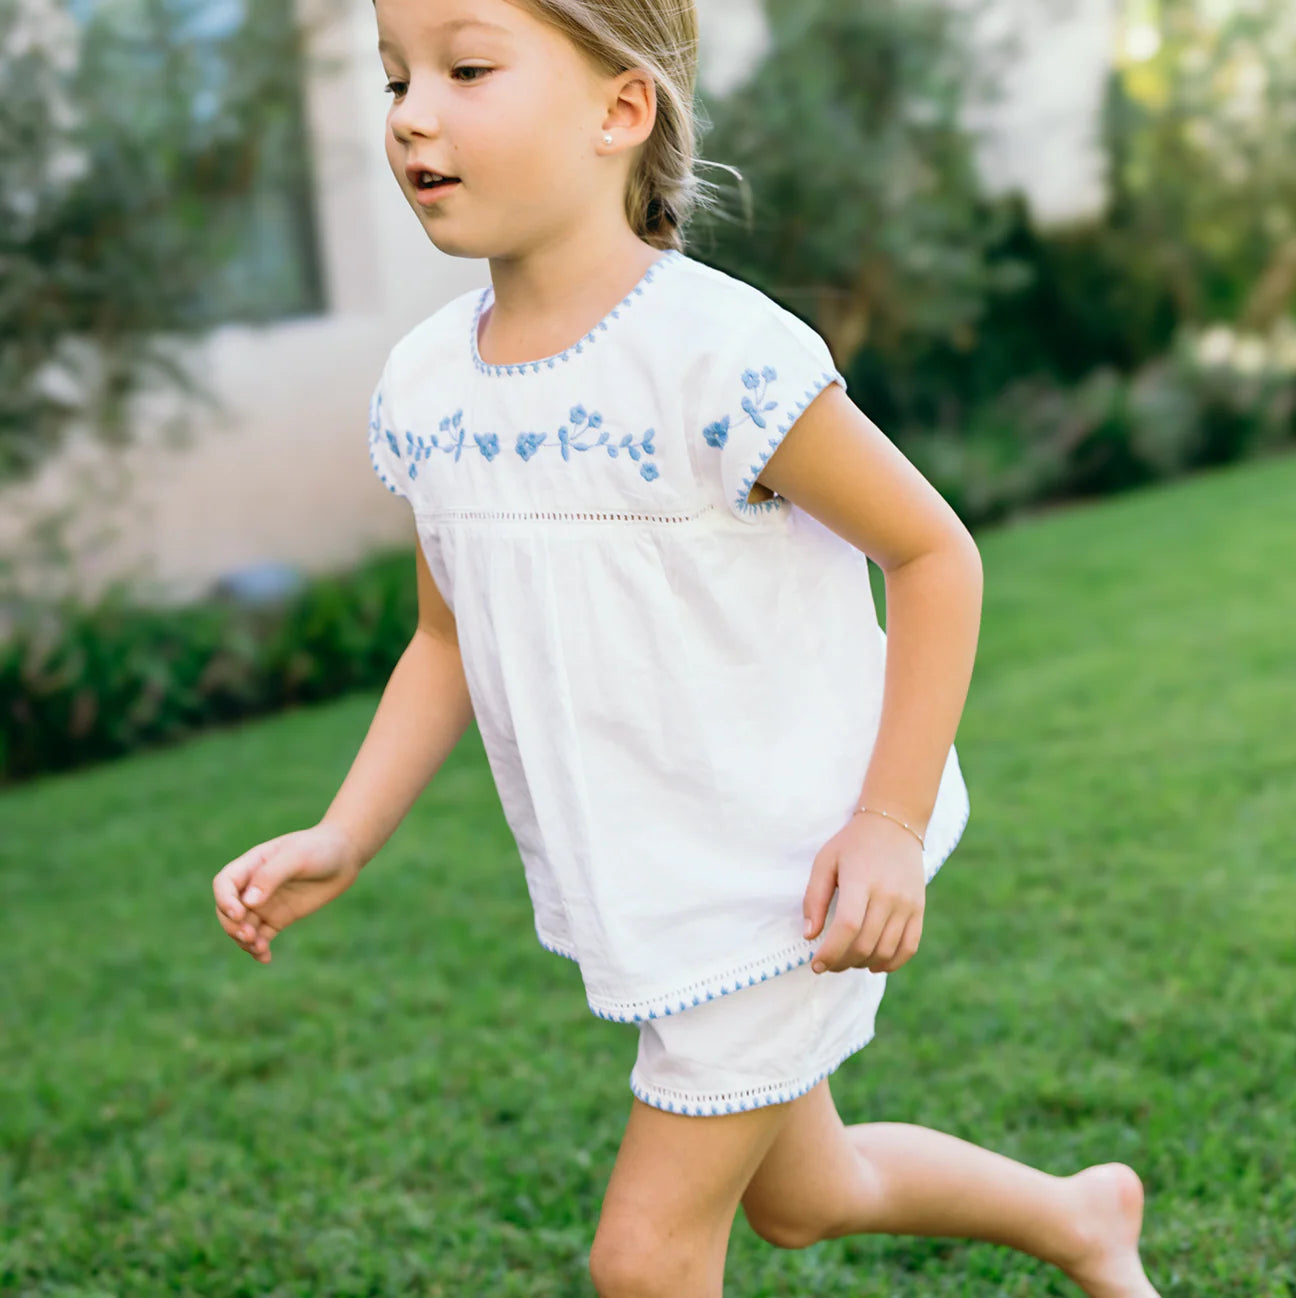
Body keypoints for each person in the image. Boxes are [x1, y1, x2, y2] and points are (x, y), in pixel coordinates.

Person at [212, 2, 1160, 1294]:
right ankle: (1082, 1217)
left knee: (646, 1256)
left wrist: (884, 824)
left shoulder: (721, 355)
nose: (413, 114)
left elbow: (936, 556)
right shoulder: (425, 388)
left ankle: (1080, 1218)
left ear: (621, 110)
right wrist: (344, 831)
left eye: (467, 68)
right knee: (809, 1194)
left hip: (787, 878)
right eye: (394, 79)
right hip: (658, 885)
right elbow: (447, 636)